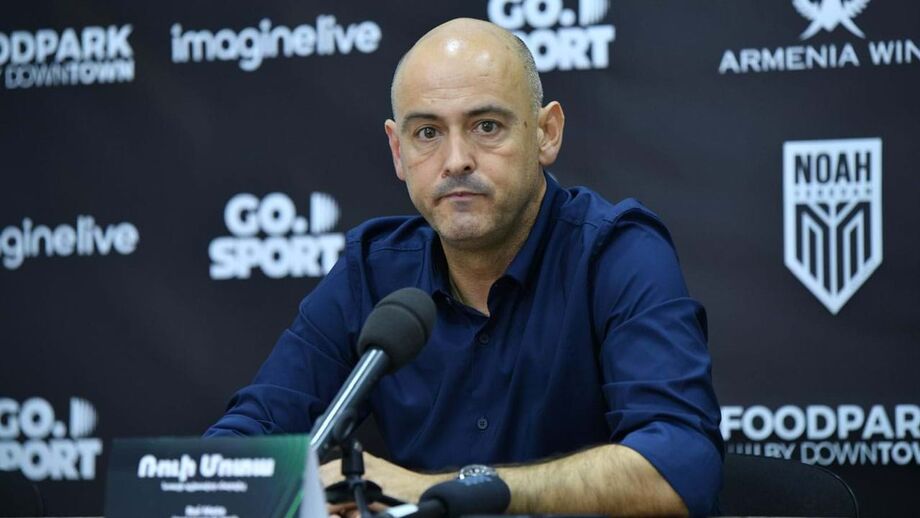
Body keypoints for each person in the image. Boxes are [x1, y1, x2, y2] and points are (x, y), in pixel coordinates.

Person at [206, 18, 723, 517]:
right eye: (428, 133)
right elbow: (237, 449)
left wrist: (441, 492)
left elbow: (679, 468)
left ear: (547, 133)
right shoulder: (372, 271)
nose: (456, 160)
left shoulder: (616, 252)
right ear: (398, 151)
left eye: (486, 126)